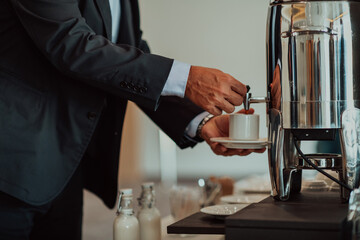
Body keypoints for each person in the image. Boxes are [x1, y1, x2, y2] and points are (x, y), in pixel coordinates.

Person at [0, 0, 264, 239]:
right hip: (12, 159)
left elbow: (129, 50)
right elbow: (72, 44)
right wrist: (186, 80)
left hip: (66, 162)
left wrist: (202, 122)